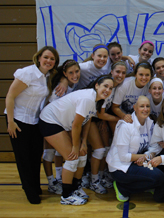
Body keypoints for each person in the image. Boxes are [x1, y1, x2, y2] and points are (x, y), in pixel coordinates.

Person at [39, 75, 114, 205]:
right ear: (97, 85)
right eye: (105, 86)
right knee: (72, 157)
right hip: (50, 121)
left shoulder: (97, 100)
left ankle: (75, 187)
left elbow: (87, 121)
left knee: (82, 155)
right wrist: (75, 146)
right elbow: (76, 125)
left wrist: (83, 142)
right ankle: (66, 195)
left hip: (63, 124)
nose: (107, 90)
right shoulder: (87, 98)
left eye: (111, 88)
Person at [4, 46, 59, 204]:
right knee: (24, 158)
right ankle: (29, 190)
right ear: (39, 57)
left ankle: (35, 186)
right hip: (18, 119)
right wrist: (11, 121)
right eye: (46, 57)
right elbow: (10, 96)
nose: (48, 61)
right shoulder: (27, 73)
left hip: (34, 121)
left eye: (52, 59)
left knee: (35, 156)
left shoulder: (48, 76)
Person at [106, 96, 164, 202]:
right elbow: (123, 157)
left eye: (147, 106)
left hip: (136, 161)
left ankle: (142, 185)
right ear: (135, 108)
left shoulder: (149, 123)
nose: (145, 109)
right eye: (142, 106)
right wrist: (145, 157)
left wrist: (147, 156)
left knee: (163, 169)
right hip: (121, 167)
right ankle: (123, 188)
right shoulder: (126, 126)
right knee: (158, 177)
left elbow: (155, 146)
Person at [86, 61, 128, 192]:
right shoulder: (106, 85)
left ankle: (100, 175)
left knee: (106, 148)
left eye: (123, 72)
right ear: (111, 72)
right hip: (88, 119)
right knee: (98, 150)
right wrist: (120, 118)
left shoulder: (116, 87)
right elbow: (100, 113)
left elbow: (103, 113)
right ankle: (93, 180)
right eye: (117, 72)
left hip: (98, 118)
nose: (120, 75)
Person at [43, 59, 81, 195]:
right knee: (49, 152)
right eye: (71, 73)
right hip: (49, 121)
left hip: (62, 123)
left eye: (77, 71)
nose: (75, 75)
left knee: (60, 152)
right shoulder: (60, 88)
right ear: (64, 74)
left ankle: (59, 178)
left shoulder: (74, 85)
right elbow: (52, 107)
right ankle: (50, 181)